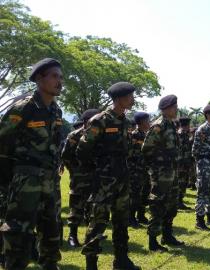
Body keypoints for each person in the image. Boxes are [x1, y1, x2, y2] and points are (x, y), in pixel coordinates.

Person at [0, 58, 63, 270]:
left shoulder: (56, 111)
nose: (59, 81)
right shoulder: (24, 108)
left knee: (51, 230)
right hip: (26, 180)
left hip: (50, 180)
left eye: (61, 77)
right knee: (19, 233)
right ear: (39, 78)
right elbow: (2, 141)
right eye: (54, 76)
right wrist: (7, 179)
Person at [77, 82, 140, 270]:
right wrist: (98, 170)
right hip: (104, 182)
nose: (133, 99)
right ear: (119, 99)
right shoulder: (100, 120)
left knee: (121, 222)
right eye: (130, 96)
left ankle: (121, 260)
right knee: (98, 222)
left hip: (122, 178)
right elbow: (82, 149)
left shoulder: (126, 122)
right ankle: (91, 264)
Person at [142, 95, 184, 252]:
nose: (176, 108)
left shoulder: (171, 125)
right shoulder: (158, 125)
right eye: (174, 106)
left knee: (172, 204)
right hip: (161, 173)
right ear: (166, 108)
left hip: (172, 172)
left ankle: (167, 235)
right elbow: (146, 149)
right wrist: (158, 164)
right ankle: (153, 241)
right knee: (158, 205)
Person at [61, 108, 101, 248]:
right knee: (76, 206)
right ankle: (72, 235)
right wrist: (75, 171)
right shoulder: (74, 135)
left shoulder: (99, 134)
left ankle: (92, 236)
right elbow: (66, 156)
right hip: (79, 177)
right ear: (86, 121)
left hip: (96, 176)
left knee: (94, 207)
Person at [192, 105, 210, 230]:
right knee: (203, 192)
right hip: (205, 164)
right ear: (208, 115)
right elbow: (195, 150)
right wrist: (202, 163)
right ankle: (200, 220)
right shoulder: (202, 129)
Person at [128, 112, 151, 227]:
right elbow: (129, 154)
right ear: (141, 122)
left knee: (145, 193)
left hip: (145, 170)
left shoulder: (147, 134)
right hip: (135, 170)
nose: (149, 122)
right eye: (148, 120)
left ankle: (141, 215)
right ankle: (131, 217)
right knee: (134, 194)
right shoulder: (134, 135)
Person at [177, 117, 194, 210]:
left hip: (185, 162)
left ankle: (180, 201)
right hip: (181, 163)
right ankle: (178, 202)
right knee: (181, 182)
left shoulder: (185, 134)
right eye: (188, 125)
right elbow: (180, 150)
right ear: (186, 125)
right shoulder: (181, 134)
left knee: (184, 182)